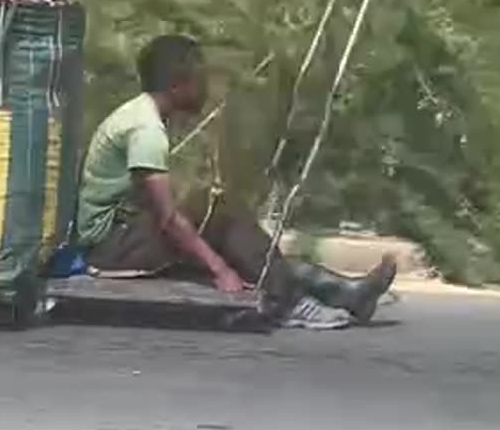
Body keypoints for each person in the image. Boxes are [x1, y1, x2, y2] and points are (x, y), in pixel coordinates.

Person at [75, 34, 397, 329]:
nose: (205, 89)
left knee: (236, 237)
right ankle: (292, 304)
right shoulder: (145, 131)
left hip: (127, 236)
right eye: (199, 80)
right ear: (177, 85)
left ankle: (342, 291)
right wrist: (219, 269)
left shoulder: (142, 116)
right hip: (110, 249)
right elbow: (168, 218)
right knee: (221, 214)